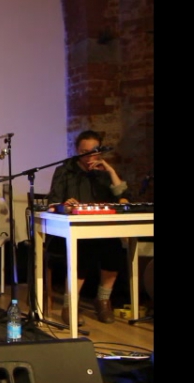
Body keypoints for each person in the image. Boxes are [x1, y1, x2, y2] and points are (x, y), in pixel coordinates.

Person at [46, 129, 132, 325]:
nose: (90, 156)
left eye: (94, 151)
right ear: (77, 150)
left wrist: (110, 171)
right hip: (69, 233)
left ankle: (102, 300)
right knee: (83, 252)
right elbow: (53, 203)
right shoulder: (65, 171)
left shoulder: (102, 174)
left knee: (116, 250)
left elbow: (123, 199)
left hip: (101, 231)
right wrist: (65, 206)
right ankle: (70, 305)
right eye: (85, 151)